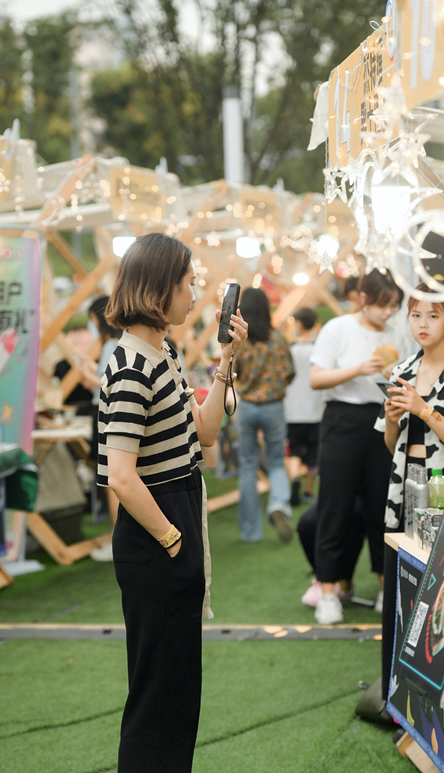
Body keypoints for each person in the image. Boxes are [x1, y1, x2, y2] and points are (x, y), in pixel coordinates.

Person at [98, 233, 247, 773]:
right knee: (158, 697)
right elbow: (121, 474)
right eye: (188, 283)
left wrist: (226, 360)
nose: (194, 293)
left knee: (177, 693)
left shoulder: (163, 351)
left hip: (176, 510)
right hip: (157, 527)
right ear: (160, 287)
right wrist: (171, 537)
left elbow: (204, 433)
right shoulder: (133, 362)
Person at [374, 282, 444, 714]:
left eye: (433, 316)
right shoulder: (401, 369)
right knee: (406, 598)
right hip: (406, 495)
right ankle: (401, 701)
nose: (422, 324)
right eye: (416, 315)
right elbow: (393, 447)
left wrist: (424, 410)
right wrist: (390, 421)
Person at [310, 269, 405, 624]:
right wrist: (358, 369)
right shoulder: (337, 328)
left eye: (394, 306)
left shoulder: (397, 335)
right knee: (334, 506)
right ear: (364, 298)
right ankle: (328, 591)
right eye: (382, 304)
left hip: (385, 421)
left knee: (383, 508)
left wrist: (392, 377)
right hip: (342, 422)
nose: (387, 313)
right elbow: (316, 378)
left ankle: (386, 589)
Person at [235, 287, 295, 542]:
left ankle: (251, 532)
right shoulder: (278, 338)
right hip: (273, 406)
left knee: (248, 466)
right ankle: (278, 504)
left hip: (247, 406)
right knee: (275, 461)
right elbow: (290, 372)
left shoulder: (239, 341)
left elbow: (230, 370)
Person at [78, 295, 122, 561]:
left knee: (111, 479)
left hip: (105, 413)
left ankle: (119, 540)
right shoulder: (126, 342)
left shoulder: (110, 345)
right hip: (116, 413)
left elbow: (105, 384)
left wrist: (87, 375)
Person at [284, 307, 324, 506]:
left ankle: (294, 479)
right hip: (315, 411)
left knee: (294, 450)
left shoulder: (290, 350)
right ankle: (308, 489)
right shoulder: (319, 351)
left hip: (293, 410)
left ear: (298, 324)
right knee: (314, 452)